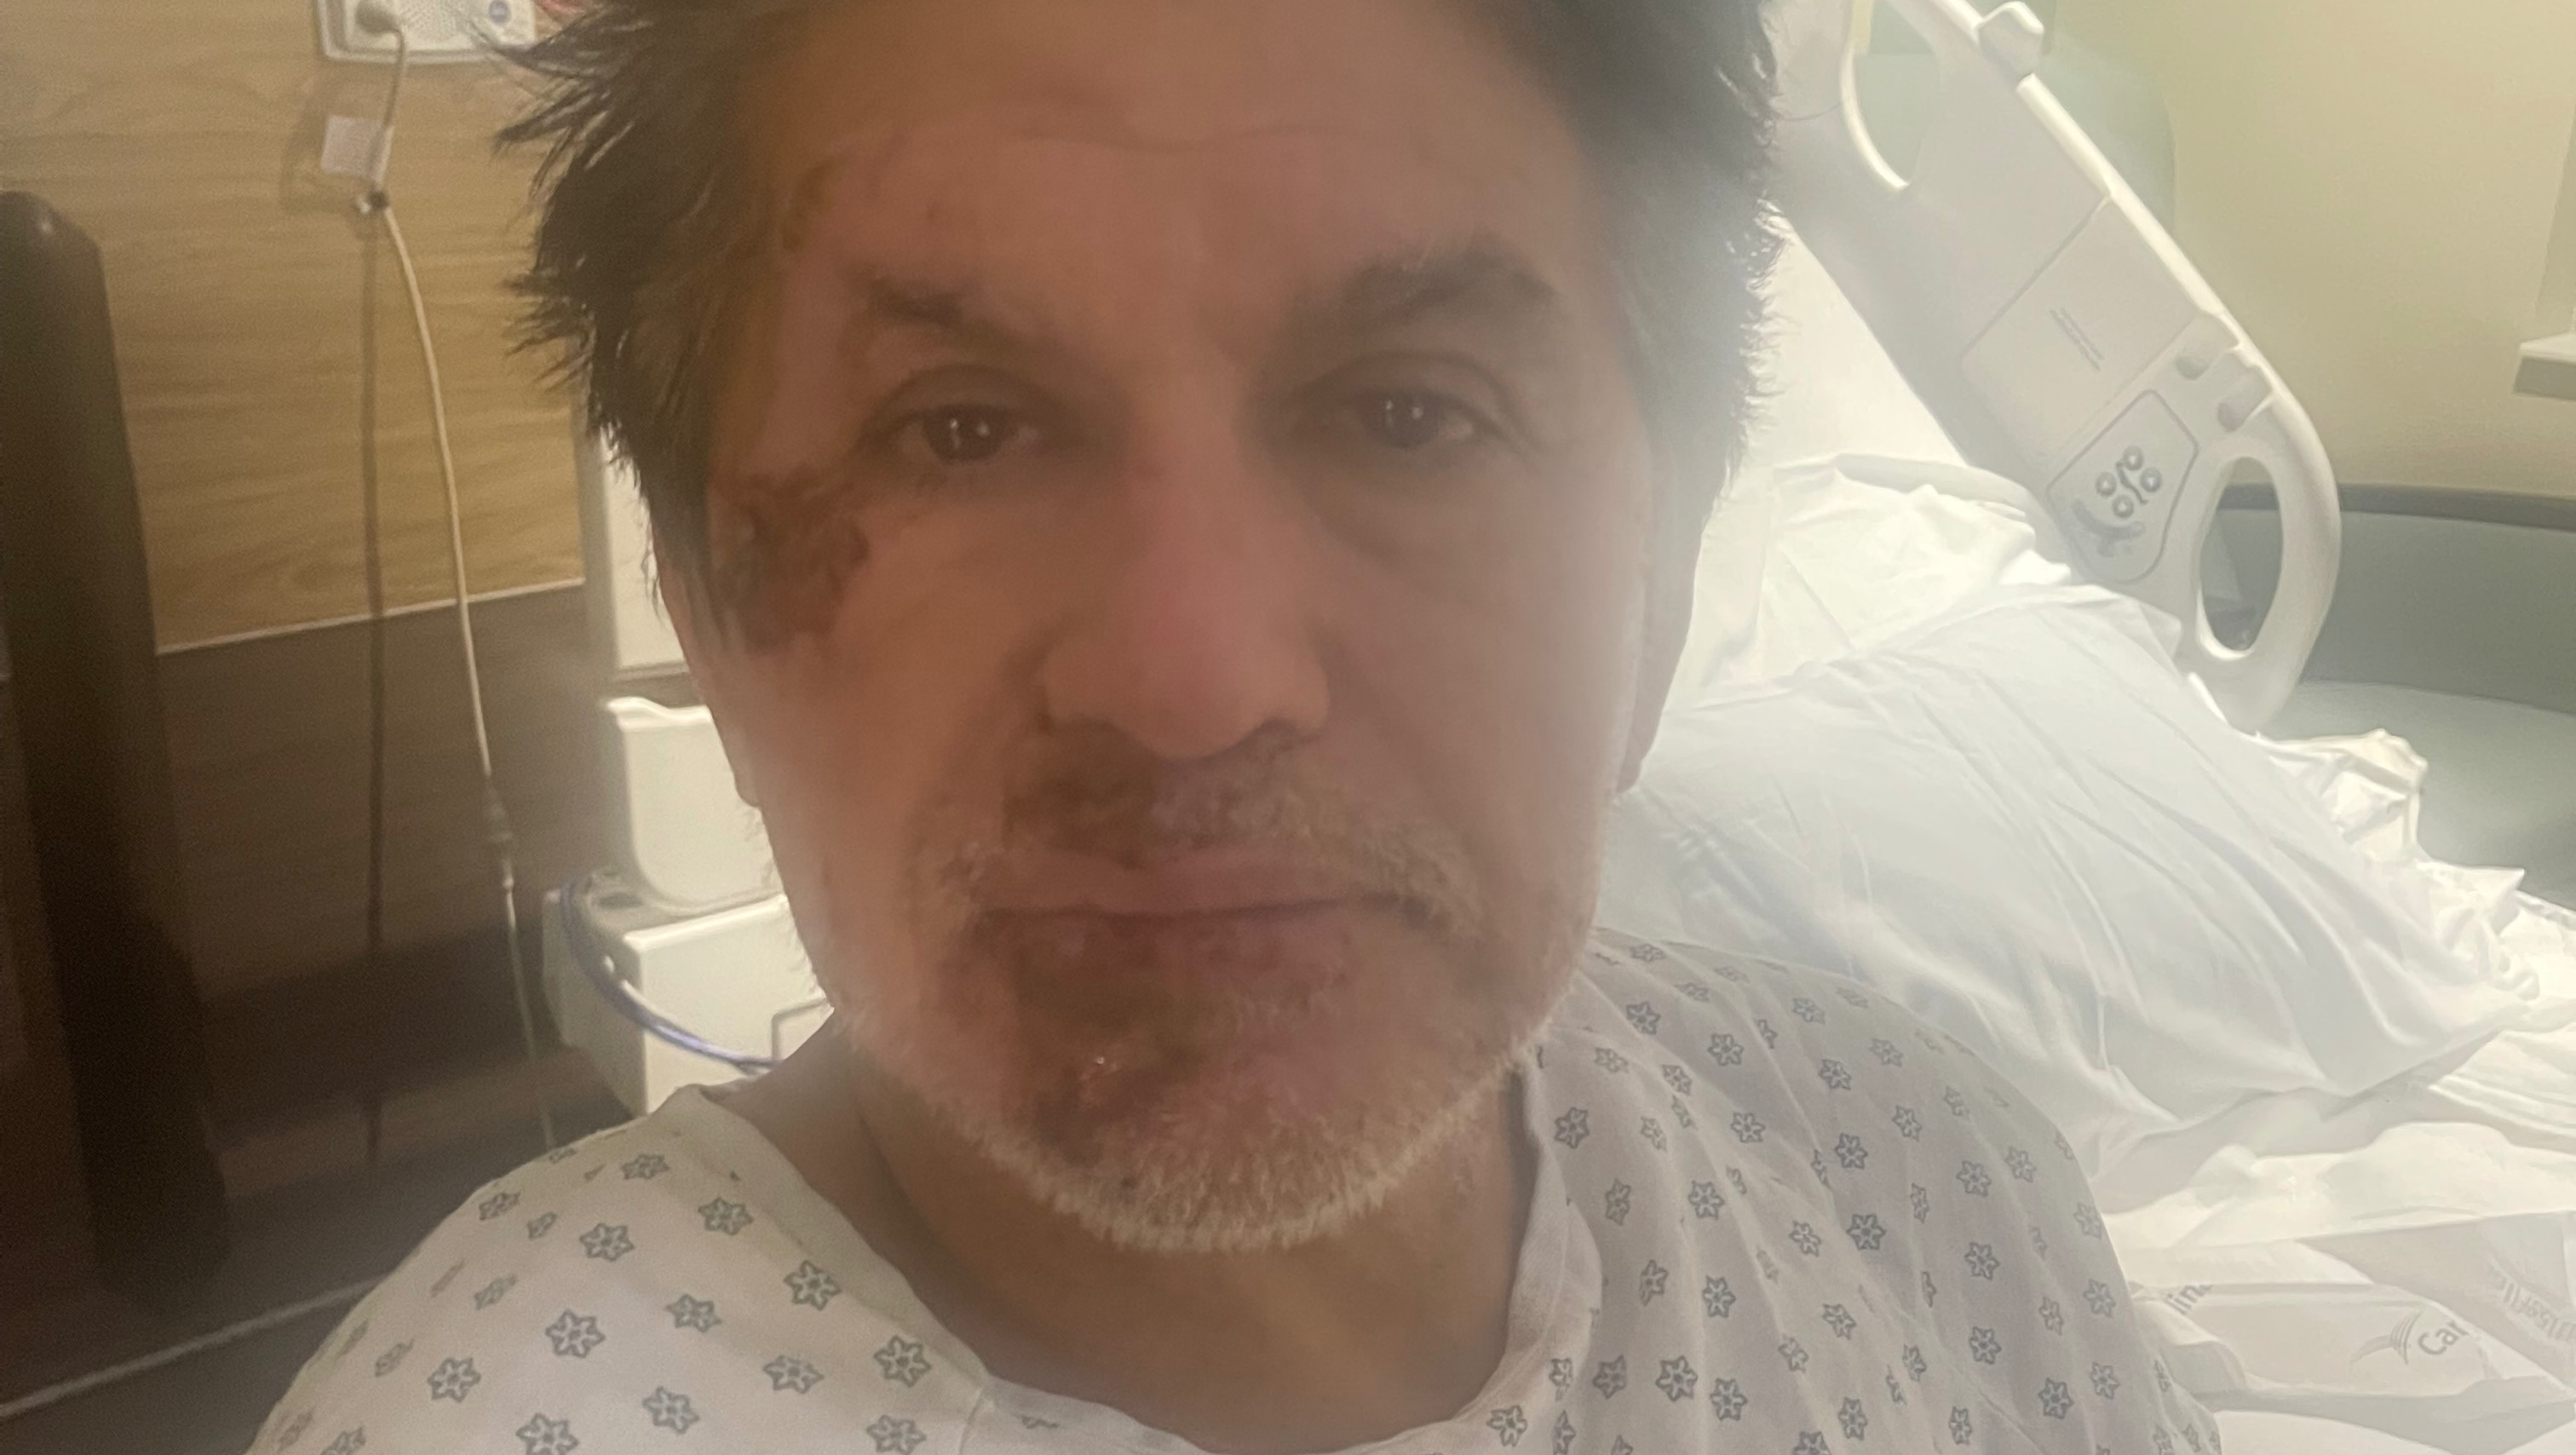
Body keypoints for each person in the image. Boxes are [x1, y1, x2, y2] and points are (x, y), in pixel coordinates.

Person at [256, 2, 2219, 1452]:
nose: (1192, 678)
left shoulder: (1925, 1185)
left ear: (1671, 567)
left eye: (1411, 411)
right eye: (961, 430)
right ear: (711, 615)